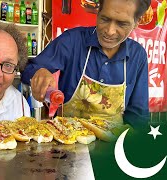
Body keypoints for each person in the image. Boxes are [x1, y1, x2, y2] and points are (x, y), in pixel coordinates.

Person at [21, 0, 151, 127]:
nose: (110, 31)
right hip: (67, 139)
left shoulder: (137, 55)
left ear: (136, 22)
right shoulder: (72, 41)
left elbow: (137, 116)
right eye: (105, 19)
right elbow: (28, 70)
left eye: (122, 24)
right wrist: (39, 73)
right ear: (98, 11)